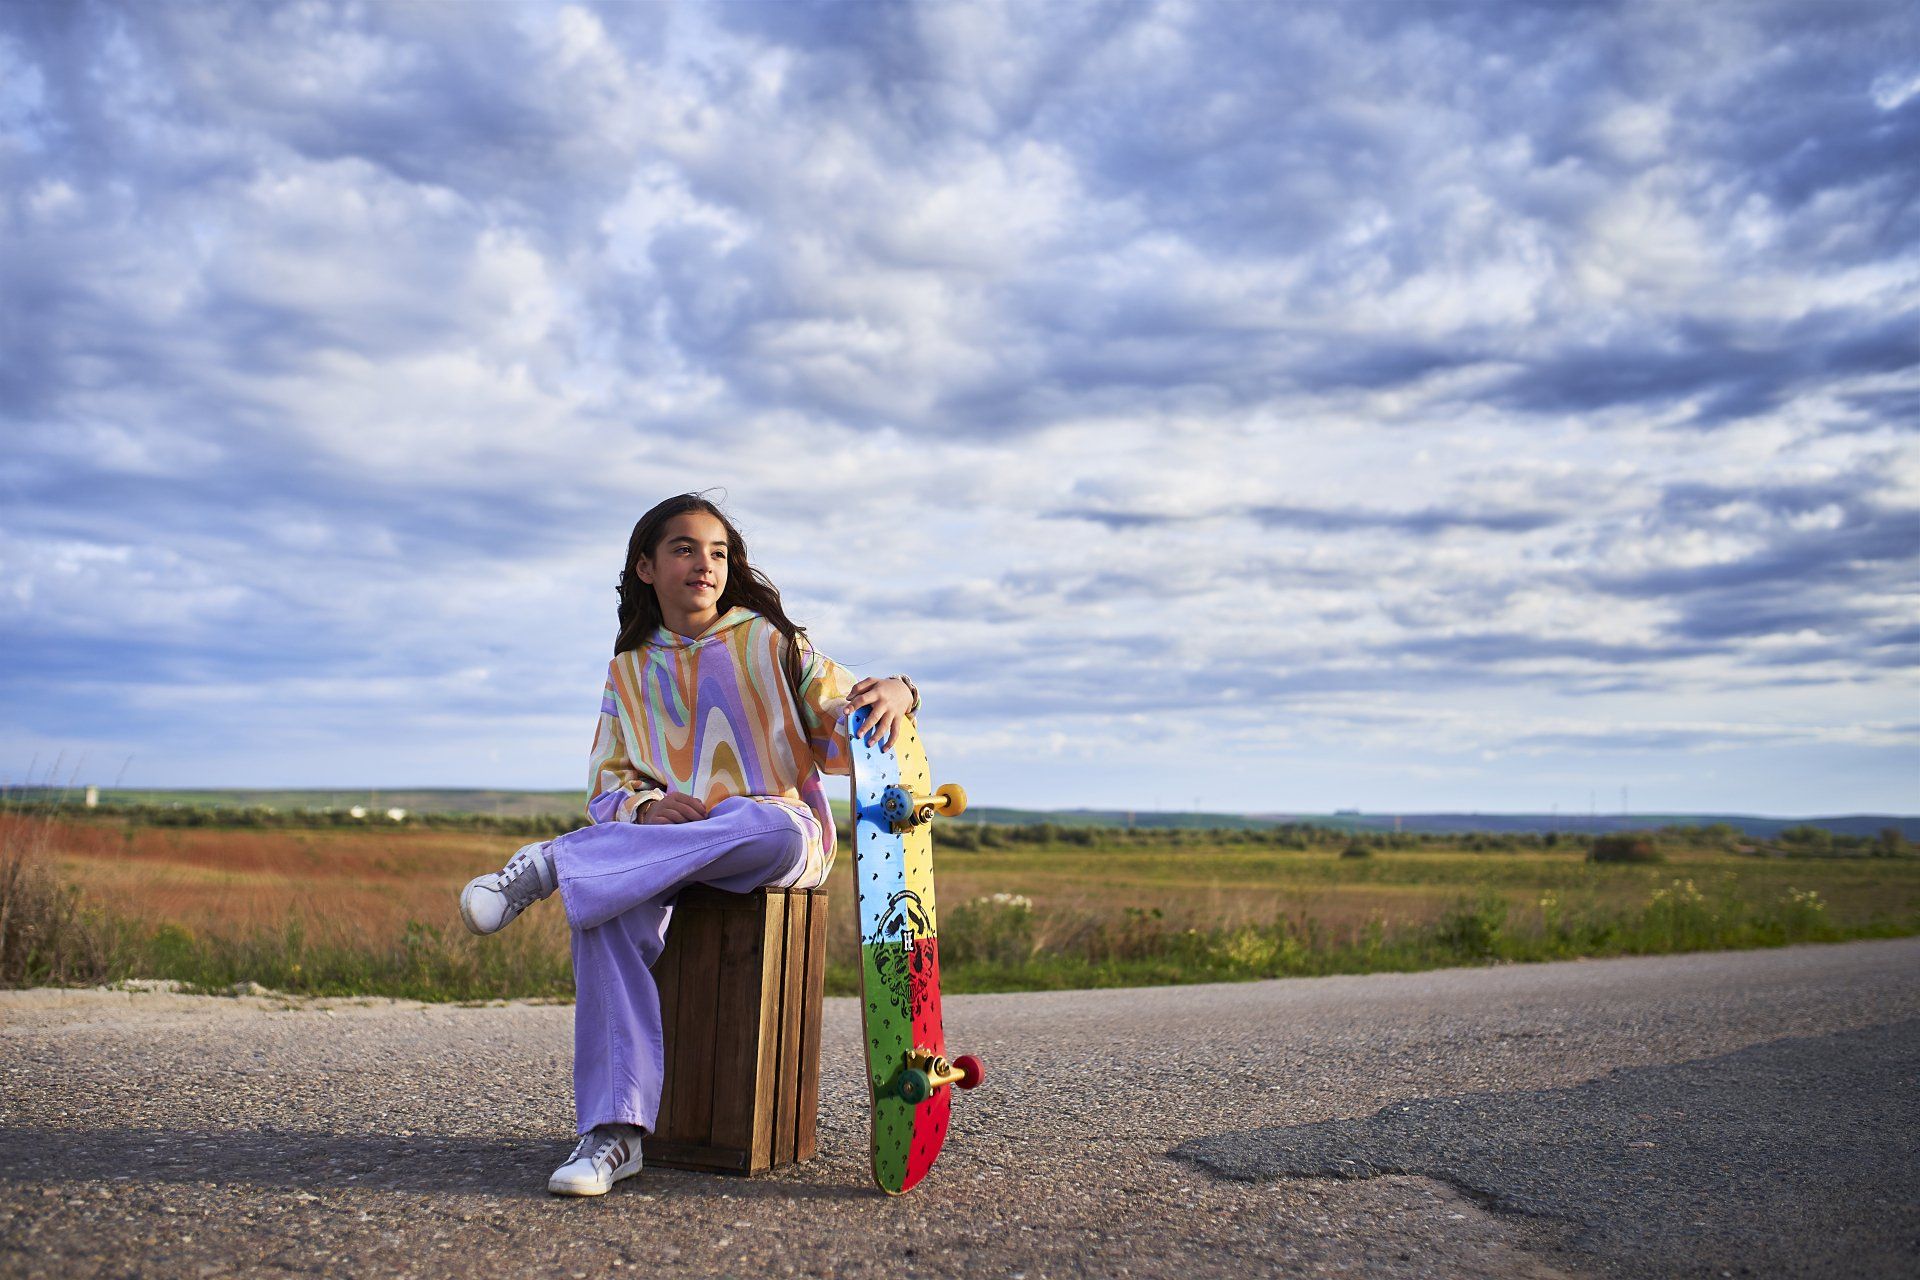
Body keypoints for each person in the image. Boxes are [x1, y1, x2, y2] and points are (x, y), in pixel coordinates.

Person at [457, 493, 918, 1196]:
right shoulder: (628, 670)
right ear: (645, 567)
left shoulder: (770, 641)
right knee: (604, 912)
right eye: (684, 548)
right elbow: (608, 781)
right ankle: (613, 1135)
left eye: (719, 553)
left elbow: (851, 719)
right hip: (661, 855)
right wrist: (645, 806)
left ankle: (554, 863)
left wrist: (903, 691)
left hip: (775, 838)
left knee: (766, 823)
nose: (705, 564)